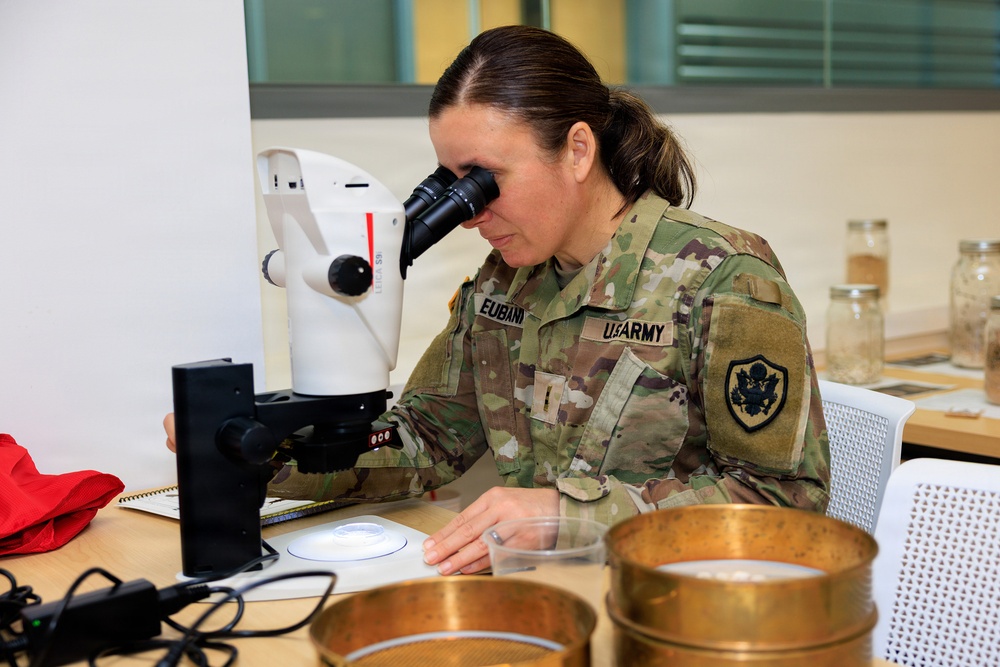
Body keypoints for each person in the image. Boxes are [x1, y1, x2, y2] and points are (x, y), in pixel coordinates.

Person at [165, 25, 829, 577]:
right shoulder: (501, 282)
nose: (469, 212)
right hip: (541, 592)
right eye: (452, 183)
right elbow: (425, 442)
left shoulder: (725, 278)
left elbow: (784, 506)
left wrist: (567, 516)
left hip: (672, 606)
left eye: (486, 181)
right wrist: (271, 449)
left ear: (576, 149)